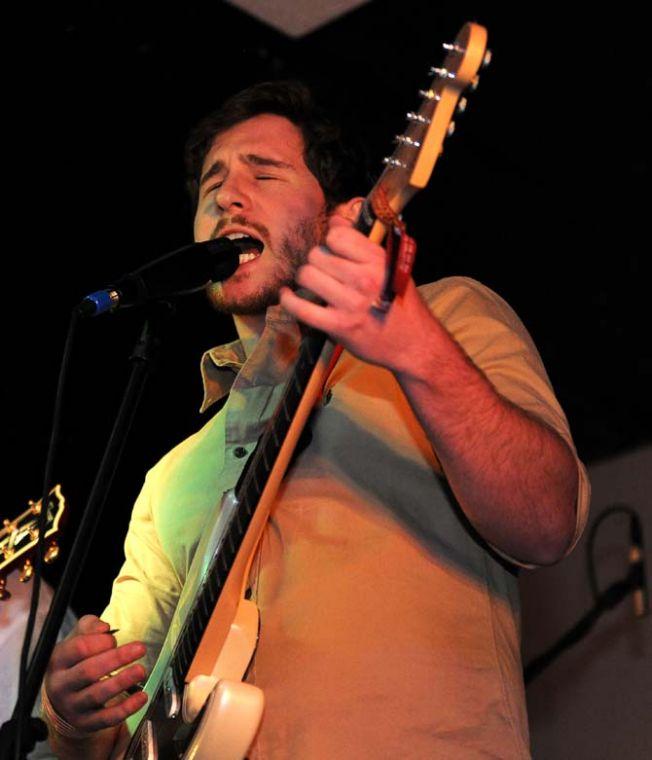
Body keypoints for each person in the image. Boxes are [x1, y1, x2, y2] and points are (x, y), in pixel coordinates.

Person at [42, 81, 590, 759]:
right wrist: (75, 711)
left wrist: (413, 345)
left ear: (335, 211)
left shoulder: (448, 319)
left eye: (263, 172)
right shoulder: (171, 478)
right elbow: (124, 714)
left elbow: (546, 521)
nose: (226, 195)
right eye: (211, 182)